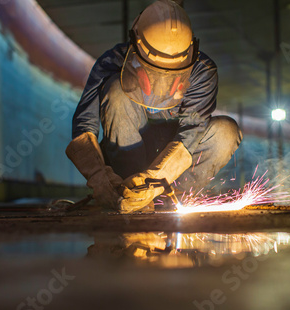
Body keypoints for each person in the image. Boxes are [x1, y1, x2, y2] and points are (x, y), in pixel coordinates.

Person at [66, 0, 242, 213]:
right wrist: (98, 176)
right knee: (116, 91)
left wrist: (155, 179)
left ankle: (172, 199)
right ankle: (128, 193)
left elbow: (191, 133)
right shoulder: (112, 62)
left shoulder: (202, 71)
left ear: (190, 52)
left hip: (174, 164)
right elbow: (85, 124)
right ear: (135, 46)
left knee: (225, 132)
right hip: (128, 154)